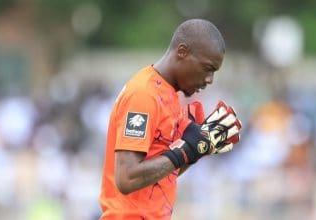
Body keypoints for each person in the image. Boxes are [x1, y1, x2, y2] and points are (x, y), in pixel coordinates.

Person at [99, 19, 242, 220]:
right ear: (182, 51)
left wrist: (198, 150)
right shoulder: (143, 94)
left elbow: (161, 174)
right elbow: (126, 177)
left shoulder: (171, 96)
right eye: (207, 68)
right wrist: (186, 150)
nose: (209, 79)